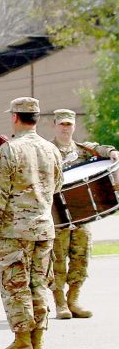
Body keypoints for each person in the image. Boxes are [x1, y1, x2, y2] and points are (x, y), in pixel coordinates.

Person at [0, 97, 62, 349]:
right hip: (43, 229)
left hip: (16, 231)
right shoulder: (51, 149)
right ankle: (38, 343)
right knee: (38, 284)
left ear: (15, 117)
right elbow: (58, 186)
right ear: (36, 118)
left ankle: (21, 343)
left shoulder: (10, 150)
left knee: (16, 286)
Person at [49, 109, 119, 320]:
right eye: (61, 124)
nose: (65, 128)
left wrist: (112, 151)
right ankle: (60, 301)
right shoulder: (47, 150)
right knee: (57, 259)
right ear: (54, 125)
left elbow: (102, 149)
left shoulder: (83, 149)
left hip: (82, 213)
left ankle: (74, 299)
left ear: (74, 126)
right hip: (57, 215)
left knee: (81, 257)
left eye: (69, 124)